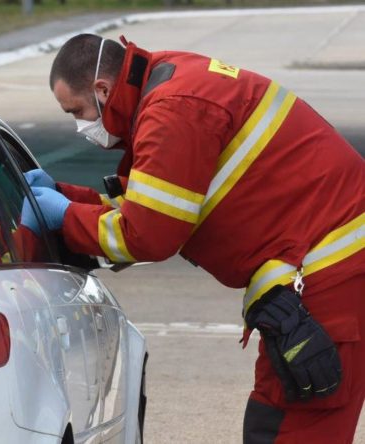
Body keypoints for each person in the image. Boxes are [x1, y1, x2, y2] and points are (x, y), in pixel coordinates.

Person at [26, 33, 364, 443]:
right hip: (330, 261)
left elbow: (148, 233)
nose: (80, 126)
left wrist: (64, 217)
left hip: (332, 270)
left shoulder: (172, 110)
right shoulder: (168, 82)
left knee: (293, 424)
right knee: (279, 417)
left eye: (77, 111)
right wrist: (67, 198)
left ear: (102, 90)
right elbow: (154, 200)